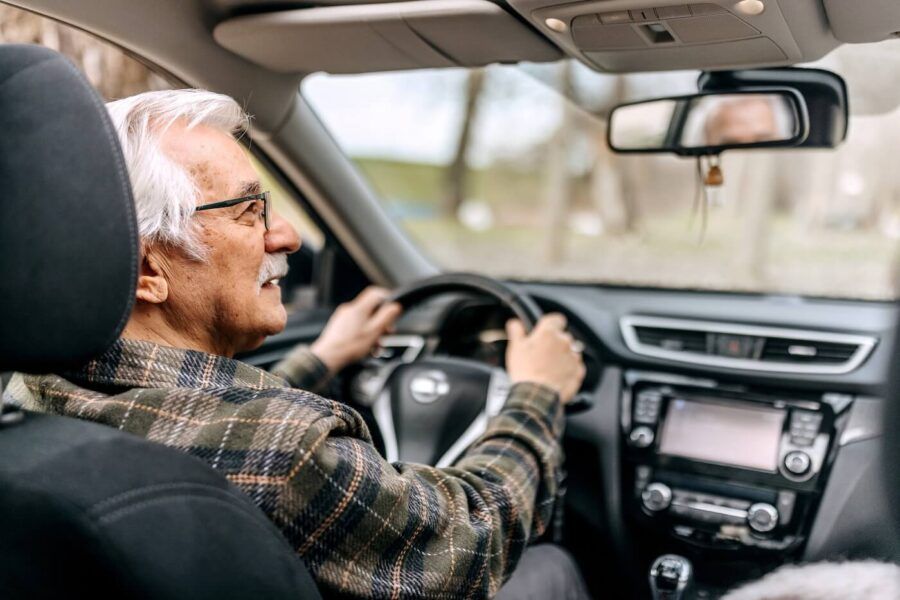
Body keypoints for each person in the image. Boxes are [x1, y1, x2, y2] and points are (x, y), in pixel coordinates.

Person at [4, 89, 589, 599]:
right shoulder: (288, 453)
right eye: (249, 211)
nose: (284, 235)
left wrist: (324, 358)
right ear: (147, 269)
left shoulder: (32, 394)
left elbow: (199, 417)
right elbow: (470, 539)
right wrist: (537, 394)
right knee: (554, 567)